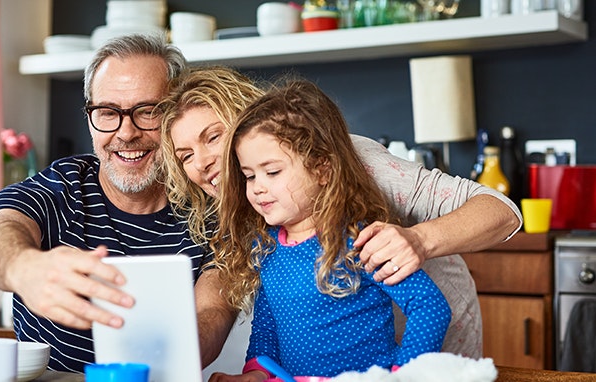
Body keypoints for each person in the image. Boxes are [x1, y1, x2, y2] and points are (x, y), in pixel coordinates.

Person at [158, 66, 522, 364]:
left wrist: (419, 240)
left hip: (429, 355)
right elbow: (269, 318)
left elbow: (503, 212)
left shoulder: (350, 160)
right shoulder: (251, 211)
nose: (203, 162)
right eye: (185, 155)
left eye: (213, 137)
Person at [0, 34, 213, 373]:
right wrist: (22, 267)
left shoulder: (209, 211)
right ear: (90, 117)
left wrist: (166, 352)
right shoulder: (63, 186)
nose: (126, 132)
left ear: (177, 116)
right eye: (107, 112)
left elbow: (212, 313)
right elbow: (3, 229)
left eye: (148, 111)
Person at [209, 78, 452, 379]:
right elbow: (266, 330)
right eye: (249, 176)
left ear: (322, 169)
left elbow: (429, 307)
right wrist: (255, 375)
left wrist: (402, 374)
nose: (258, 188)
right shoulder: (267, 248)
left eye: (272, 172)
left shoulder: (359, 241)